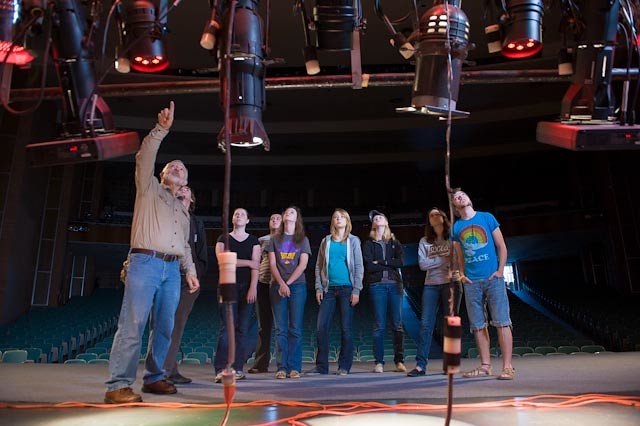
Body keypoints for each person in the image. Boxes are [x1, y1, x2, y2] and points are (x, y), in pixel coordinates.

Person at [105, 102, 200, 404]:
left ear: (185, 182)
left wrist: (191, 271)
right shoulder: (148, 189)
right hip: (144, 263)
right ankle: (118, 385)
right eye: (171, 165)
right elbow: (144, 156)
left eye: (182, 168)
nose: (177, 167)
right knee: (132, 324)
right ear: (161, 174)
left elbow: (183, 245)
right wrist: (161, 130)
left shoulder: (182, 209)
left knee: (165, 327)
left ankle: (155, 378)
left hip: (172, 270)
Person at [450, 189, 515, 380]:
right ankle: (485, 365)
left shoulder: (487, 218)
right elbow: (459, 255)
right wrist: (461, 275)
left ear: (469, 198)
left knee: (502, 322)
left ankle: (507, 367)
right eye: (455, 197)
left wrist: (500, 270)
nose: (459, 197)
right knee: (478, 325)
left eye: (462, 194)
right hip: (471, 282)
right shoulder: (455, 228)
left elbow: (501, 246)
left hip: (492, 279)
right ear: (454, 206)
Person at [407, 208, 462, 377]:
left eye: (437, 213)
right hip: (431, 285)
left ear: (443, 217)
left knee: (451, 323)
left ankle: (451, 364)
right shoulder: (425, 241)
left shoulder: (452, 237)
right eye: (431, 215)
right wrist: (443, 260)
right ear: (429, 221)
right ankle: (420, 365)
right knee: (425, 324)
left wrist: (435, 260)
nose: (434, 216)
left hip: (451, 283)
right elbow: (423, 265)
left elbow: (457, 260)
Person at [308, 208, 363, 376]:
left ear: (347, 221)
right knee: (321, 327)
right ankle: (322, 366)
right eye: (335, 217)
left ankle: (344, 366)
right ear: (332, 221)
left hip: (347, 289)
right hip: (328, 289)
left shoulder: (353, 241)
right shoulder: (326, 241)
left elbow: (359, 266)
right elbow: (319, 266)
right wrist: (318, 287)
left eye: (341, 217)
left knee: (346, 329)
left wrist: (357, 289)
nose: (338, 219)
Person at [163, 186, 208, 384]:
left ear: (192, 197)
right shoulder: (166, 215)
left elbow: (201, 252)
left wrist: (197, 274)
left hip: (188, 279)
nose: (183, 190)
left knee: (177, 323)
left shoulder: (196, 222)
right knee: (163, 323)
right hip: (167, 272)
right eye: (180, 188)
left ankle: (169, 370)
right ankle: (165, 370)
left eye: (187, 188)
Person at [214, 208, 261, 382]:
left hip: (247, 287)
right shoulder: (223, 238)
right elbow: (222, 260)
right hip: (227, 286)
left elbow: (256, 267)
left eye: (242, 214)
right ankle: (221, 368)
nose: (239, 215)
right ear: (232, 219)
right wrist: (249, 262)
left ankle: (237, 368)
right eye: (236, 214)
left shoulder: (254, 241)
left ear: (248, 220)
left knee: (242, 330)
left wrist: (253, 288)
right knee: (227, 328)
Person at [266, 206, 311, 379]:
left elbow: (303, 265)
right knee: (280, 329)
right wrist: (281, 284)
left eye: (292, 212)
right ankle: (281, 367)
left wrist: (288, 284)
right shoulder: (274, 239)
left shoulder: (302, 239)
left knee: (295, 328)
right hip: (277, 285)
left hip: (297, 286)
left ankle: (294, 367)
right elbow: (272, 264)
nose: (288, 214)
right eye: (286, 212)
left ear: (297, 218)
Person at [362, 210, 405, 374]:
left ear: (386, 222)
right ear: (373, 224)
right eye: (375, 218)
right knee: (379, 326)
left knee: (397, 324)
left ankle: (399, 361)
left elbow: (400, 262)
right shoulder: (368, 244)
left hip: (395, 286)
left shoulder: (395, 242)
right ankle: (379, 362)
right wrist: (388, 264)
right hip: (377, 286)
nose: (377, 218)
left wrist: (380, 261)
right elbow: (370, 267)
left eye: (381, 216)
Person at [248, 213, 283, 374]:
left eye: (278, 218)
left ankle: (283, 365)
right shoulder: (261, 240)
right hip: (262, 283)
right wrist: (253, 285)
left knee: (281, 326)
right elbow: (256, 263)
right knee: (263, 326)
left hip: (279, 285)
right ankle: (261, 364)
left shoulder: (287, 239)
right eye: (272, 218)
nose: (274, 220)